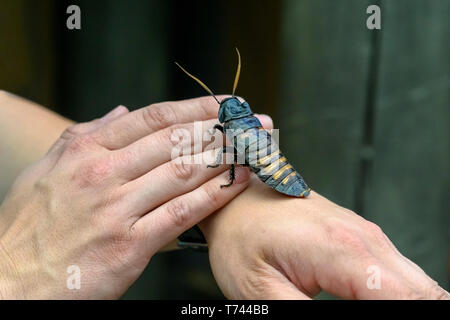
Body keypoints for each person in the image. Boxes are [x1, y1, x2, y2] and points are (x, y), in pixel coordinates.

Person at [0, 90, 447, 300]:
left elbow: (67, 172)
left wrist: (230, 214)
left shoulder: (234, 135)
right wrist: (12, 276)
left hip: (267, 174)